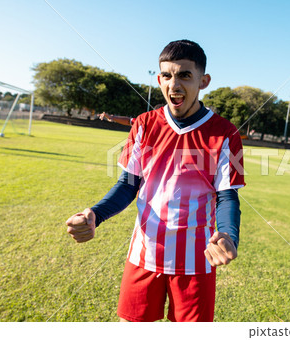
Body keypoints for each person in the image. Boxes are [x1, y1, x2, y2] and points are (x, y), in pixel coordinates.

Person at [65, 39, 245, 322]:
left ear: (204, 81)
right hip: (143, 254)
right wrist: (95, 214)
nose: (174, 84)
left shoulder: (224, 133)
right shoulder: (145, 124)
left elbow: (227, 197)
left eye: (185, 75)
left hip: (196, 261)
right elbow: (128, 185)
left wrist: (229, 235)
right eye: (167, 75)